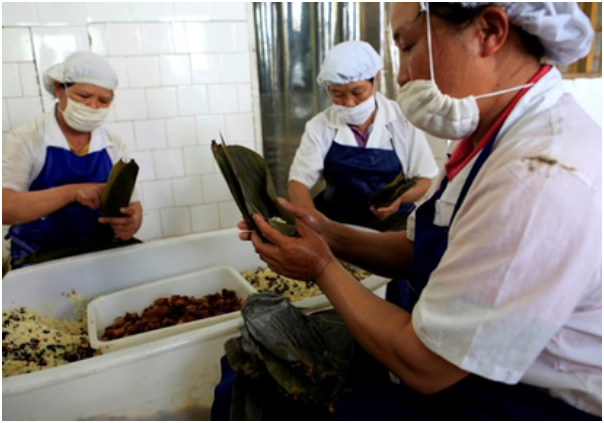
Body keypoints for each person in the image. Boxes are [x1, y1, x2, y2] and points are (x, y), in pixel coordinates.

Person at [221, 2, 601, 420]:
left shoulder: (538, 175)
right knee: (251, 362)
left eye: (408, 46)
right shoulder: (488, 138)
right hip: (457, 356)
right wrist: (326, 232)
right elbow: (415, 251)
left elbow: (425, 364)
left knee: (266, 390)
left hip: (524, 396)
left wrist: (320, 267)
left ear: (489, 32)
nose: (402, 75)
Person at [2, 51, 143, 269]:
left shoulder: (113, 144)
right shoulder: (26, 139)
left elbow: (132, 204)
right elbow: (5, 208)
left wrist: (132, 223)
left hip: (100, 254)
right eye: (84, 96)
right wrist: (73, 192)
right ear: (60, 89)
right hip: (39, 258)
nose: (93, 107)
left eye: (103, 100)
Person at [288, 40, 438, 232]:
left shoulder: (402, 120)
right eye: (338, 94)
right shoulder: (320, 125)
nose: (349, 103)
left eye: (357, 92)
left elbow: (423, 179)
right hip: (335, 223)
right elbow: (298, 182)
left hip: (393, 225)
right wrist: (312, 221)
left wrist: (399, 198)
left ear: (375, 80)